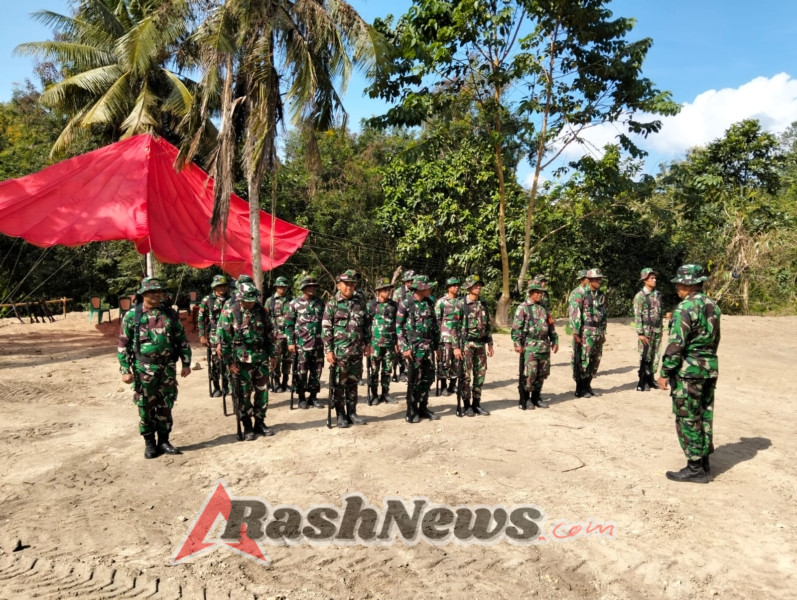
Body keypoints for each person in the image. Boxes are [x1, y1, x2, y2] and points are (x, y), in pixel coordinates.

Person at [657, 264, 721, 484]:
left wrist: (665, 372)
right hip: (709, 367)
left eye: (680, 283)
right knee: (704, 414)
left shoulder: (684, 308)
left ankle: (694, 468)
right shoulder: (712, 305)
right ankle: (703, 463)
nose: (677, 287)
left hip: (689, 371)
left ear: (691, 284)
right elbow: (716, 339)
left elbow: (676, 344)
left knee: (687, 416)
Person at [117, 278, 191, 459]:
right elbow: (123, 344)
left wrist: (186, 362)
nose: (157, 295)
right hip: (144, 369)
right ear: (143, 294)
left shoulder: (169, 314)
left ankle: (164, 441)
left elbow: (181, 338)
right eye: (152, 292)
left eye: (159, 291)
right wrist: (125, 369)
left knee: (166, 404)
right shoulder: (133, 316)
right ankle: (149, 442)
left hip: (167, 367)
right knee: (145, 406)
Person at [217, 282, 276, 441]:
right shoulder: (230, 312)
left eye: (252, 300)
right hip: (241, 360)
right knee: (242, 394)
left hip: (261, 358)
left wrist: (273, 355)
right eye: (247, 300)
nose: (250, 303)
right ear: (240, 298)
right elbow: (225, 341)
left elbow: (270, 335)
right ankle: (247, 424)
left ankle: (260, 422)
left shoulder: (261, 312)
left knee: (262, 391)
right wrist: (230, 363)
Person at [323, 270, 372, 427]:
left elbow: (366, 325)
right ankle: (340, 414)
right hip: (339, 353)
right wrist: (328, 350)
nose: (350, 287)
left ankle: (352, 412)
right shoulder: (332, 304)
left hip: (356, 351)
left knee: (353, 383)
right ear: (339, 285)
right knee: (339, 384)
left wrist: (368, 344)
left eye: (353, 284)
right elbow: (326, 329)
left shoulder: (359, 302)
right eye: (347, 284)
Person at [396, 274, 439, 422]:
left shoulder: (429, 303)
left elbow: (434, 326)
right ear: (420, 288)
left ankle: (423, 407)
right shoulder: (406, 303)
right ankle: (411, 409)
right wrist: (404, 346)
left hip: (427, 347)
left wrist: (437, 346)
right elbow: (398, 327)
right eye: (428, 287)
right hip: (413, 348)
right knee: (414, 380)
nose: (430, 289)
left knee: (427, 378)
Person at [511, 281, 559, 409]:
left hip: (544, 344)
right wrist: (517, 344)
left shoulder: (544, 307)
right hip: (530, 345)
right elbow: (516, 328)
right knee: (530, 373)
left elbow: (550, 325)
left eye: (541, 292)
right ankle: (526, 398)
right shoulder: (523, 307)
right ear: (530, 293)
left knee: (542, 372)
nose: (540, 295)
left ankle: (536, 397)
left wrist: (555, 339)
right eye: (537, 292)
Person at [285, 276, 325, 409]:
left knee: (316, 371)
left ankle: (313, 397)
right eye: (309, 286)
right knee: (300, 372)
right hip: (301, 344)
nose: (312, 289)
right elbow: (289, 324)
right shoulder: (294, 304)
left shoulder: (320, 303)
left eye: (314, 286)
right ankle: (301, 397)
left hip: (317, 344)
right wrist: (291, 342)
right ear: (303, 288)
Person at [456, 275, 494, 416]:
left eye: (479, 285)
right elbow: (454, 327)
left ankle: (476, 403)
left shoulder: (483, 303)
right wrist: (456, 347)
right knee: (465, 375)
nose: (478, 288)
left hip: (480, 344)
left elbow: (488, 325)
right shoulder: (461, 304)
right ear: (468, 288)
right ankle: (467, 405)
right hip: (466, 344)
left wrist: (490, 343)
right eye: (475, 285)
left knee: (480, 375)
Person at [568, 268, 607, 398]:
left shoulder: (600, 295)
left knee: (595, 360)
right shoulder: (579, 294)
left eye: (600, 279)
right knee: (583, 360)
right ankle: (580, 388)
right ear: (589, 280)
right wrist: (576, 333)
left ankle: (588, 385)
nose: (599, 281)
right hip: (585, 332)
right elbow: (575, 314)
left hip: (597, 332)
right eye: (597, 279)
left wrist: (603, 331)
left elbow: (603, 314)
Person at [367, 277, 399, 404]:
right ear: (378, 291)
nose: (388, 291)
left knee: (387, 370)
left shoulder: (394, 305)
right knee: (374, 370)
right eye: (385, 289)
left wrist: (397, 342)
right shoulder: (371, 305)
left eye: (389, 289)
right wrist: (367, 343)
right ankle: (374, 394)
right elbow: (366, 325)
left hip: (390, 343)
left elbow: (397, 324)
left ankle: (385, 393)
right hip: (375, 344)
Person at [197, 274, 230, 397]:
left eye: (223, 286)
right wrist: (202, 335)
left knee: (227, 360)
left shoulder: (230, 300)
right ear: (214, 287)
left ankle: (226, 386)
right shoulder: (207, 300)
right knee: (215, 361)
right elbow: (201, 319)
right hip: (213, 335)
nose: (222, 288)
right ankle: (216, 386)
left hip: (227, 334)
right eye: (219, 286)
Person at [633, 268, 664, 391]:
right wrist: (640, 333)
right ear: (645, 280)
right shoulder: (640, 296)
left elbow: (659, 313)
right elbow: (637, 315)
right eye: (651, 278)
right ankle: (643, 380)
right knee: (645, 355)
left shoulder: (658, 295)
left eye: (655, 278)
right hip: (646, 330)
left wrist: (661, 328)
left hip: (657, 329)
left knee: (655, 355)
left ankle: (651, 378)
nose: (654, 280)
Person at [435, 277, 463, 397]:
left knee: (456, 361)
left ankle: (453, 384)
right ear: (448, 287)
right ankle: (443, 386)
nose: (456, 287)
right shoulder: (441, 302)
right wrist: (437, 339)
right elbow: (437, 321)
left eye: (457, 285)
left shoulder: (461, 302)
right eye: (453, 285)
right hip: (445, 336)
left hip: (458, 336)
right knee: (444, 361)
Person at [266, 275, 293, 392]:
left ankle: (285, 383)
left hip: (288, 335)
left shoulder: (291, 300)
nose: (282, 289)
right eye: (280, 287)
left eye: (284, 287)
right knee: (275, 360)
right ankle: (276, 383)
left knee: (288, 360)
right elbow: (265, 318)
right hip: (275, 335)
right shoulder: (270, 301)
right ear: (276, 287)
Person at [392, 269, 415, 381]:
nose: (411, 282)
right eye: (409, 281)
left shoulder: (416, 291)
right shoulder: (398, 292)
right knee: (401, 348)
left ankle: (410, 371)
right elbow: (394, 309)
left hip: (413, 325)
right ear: (405, 281)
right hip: (401, 323)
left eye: (412, 280)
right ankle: (402, 371)